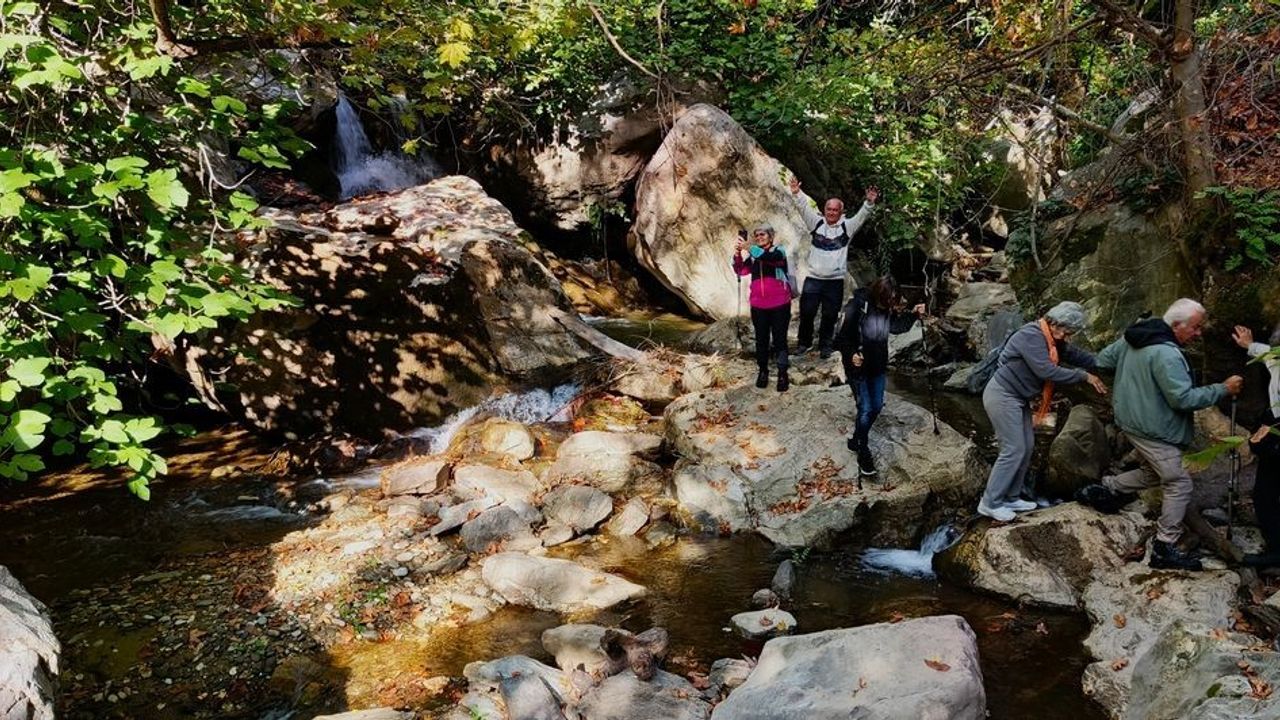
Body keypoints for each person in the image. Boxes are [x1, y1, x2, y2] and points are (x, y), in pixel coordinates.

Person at [1077, 299, 1244, 570]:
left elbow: (1104, 360)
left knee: (1153, 473)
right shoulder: (1167, 354)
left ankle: (1105, 490)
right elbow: (1183, 399)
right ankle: (1165, 546)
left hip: (1131, 421)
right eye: (1196, 327)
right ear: (1176, 325)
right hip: (1154, 429)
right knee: (1179, 482)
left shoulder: (1136, 337)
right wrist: (1223, 389)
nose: (1199, 333)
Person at [977, 302, 1107, 521]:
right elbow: (1046, 370)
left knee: (1026, 447)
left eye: (1070, 333)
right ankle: (990, 502)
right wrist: (1084, 376)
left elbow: (1078, 356)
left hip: (1018, 397)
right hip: (1002, 395)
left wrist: (1106, 361)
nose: (1067, 337)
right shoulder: (1031, 335)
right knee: (1013, 448)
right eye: (1066, 331)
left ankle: (1011, 496)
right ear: (1055, 323)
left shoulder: (1053, 340)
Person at [835, 275, 925, 476]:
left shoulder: (886, 308)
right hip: (858, 367)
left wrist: (914, 315)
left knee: (876, 407)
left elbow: (896, 327)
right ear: (879, 295)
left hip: (877, 364)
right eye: (889, 301)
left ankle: (856, 439)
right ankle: (863, 449)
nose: (891, 305)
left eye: (894, 301)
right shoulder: (857, 306)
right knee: (865, 408)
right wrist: (851, 355)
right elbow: (840, 338)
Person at [789, 175, 878, 358]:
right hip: (813, 280)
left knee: (830, 316)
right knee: (807, 313)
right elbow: (803, 208)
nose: (831, 212)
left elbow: (862, 216)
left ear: (841, 211)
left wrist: (869, 202)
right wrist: (796, 192)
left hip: (834, 282)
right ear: (824, 209)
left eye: (835, 210)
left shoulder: (848, 227)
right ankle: (803, 344)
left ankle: (825, 346)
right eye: (828, 209)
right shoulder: (816, 223)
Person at [1232, 323, 1280, 565]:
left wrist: (1271, 428)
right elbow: (1270, 355)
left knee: (1267, 493)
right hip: (1274, 421)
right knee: (1265, 493)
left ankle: (1277, 552)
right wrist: (1249, 345)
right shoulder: (1275, 358)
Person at [733, 226, 798, 392]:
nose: (759, 237)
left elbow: (769, 257)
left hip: (780, 303)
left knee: (780, 339)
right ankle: (763, 371)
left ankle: (783, 373)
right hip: (758, 305)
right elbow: (740, 270)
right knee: (761, 339)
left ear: (771, 236)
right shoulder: (754, 256)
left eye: (762, 234)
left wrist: (749, 247)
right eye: (756, 235)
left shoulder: (779, 251)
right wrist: (738, 254)